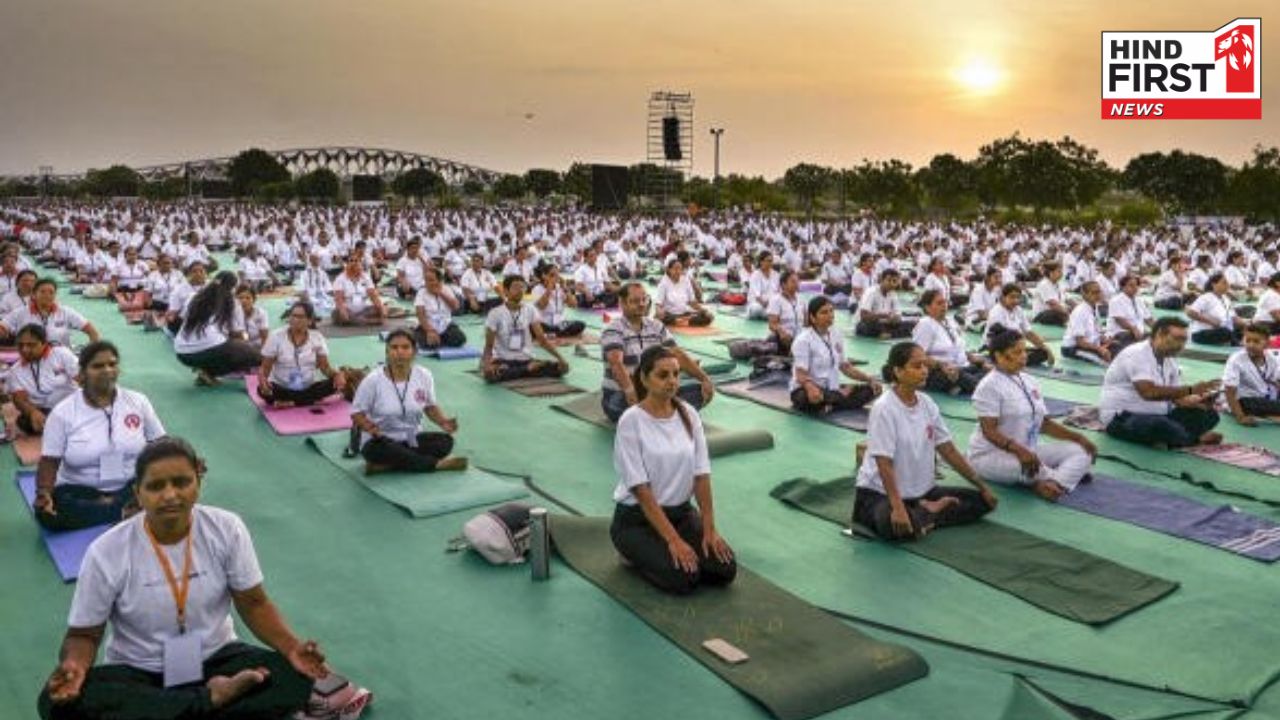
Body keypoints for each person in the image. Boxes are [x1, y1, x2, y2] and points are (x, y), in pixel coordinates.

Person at [38, 437, 325, 720]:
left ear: (198, 483)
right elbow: (84, 635)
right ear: (137, 493)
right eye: (155, 486)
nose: (170, 495)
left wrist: (292, 648)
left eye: (181, 482)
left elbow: (254, 604)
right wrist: (74, 666)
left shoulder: (227, 529)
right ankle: (211, 700)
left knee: (293, 676)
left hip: (216, 658)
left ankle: (181, 709)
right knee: (58, 704)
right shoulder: (106, 551)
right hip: (141, 673)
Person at [610, 346, 736, 595]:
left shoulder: (689, 414)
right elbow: (641, 490)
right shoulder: (631, 421)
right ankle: (631, 553)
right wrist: (674, 541)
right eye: (663, 375)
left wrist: (709, 529)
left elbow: (701, 476)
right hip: (637, 520)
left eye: (676, 374)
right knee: (685, 578)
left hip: (681, 515)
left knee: (724, 570)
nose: (672, 381)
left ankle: (664, 550)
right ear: (644, 378)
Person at [853, 342, 998, 540]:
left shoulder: (927, 404)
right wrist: (898, 508)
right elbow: (883, 463)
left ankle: (923, 514)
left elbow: (948, 450)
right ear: (898, 371)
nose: (924, 371)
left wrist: (982, 486)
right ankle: (927, 513)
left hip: (922, 491)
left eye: (925, 365)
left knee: (982, 502)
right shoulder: (884, 408)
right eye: (917, 366)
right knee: (895, 526)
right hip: (880, 494)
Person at [34, 341, 166, 531]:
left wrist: (186, 459)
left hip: (130, 484)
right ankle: (127, 510)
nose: (107, 370)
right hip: (81, 488)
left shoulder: (138, 401)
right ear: (82, 373)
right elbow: (49, 459)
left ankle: (116, 508)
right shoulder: (62, 412)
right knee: (48, 514)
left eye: (112, 364)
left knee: (168, 488)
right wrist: (44, 493)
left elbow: (160, 443)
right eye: (97, 366)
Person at [968, 331, 1096, 501]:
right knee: (1033, 467)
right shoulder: (989, 386)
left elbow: (1044, 424)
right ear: (999, 356)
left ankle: (1051, 483)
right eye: (1017, 352)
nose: (1024, 356)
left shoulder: (1029, 381)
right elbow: (989, 431)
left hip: (1029, 451)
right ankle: (1058, 479)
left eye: (1024, 351)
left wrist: (1078, 437)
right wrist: (1019, 451)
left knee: (1082, 451)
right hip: (991, 456)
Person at [350, 330, 468, 473]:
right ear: (387, 351)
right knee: (378, 449)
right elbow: (356, 413)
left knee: (445, 442)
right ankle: (436, 465)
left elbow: (429, 406)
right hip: (381, 440)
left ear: (414, 352)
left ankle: (388, 465)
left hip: (411, 438)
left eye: (405, 347)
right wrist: (369, 427)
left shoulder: (424, 375)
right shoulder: (373, 380)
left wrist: (443, 421)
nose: (399, 352)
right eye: (394, 347)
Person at [1100, 317, 1222, 448]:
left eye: (1184, 340)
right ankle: (1193, 439)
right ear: (1159, 335)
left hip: (1161, 415)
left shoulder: (1170, 360)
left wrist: (1198, 400)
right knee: (1159, 425)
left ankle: (1175, 437)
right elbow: (1148, 393)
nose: (1181, 345)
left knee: (1210, 415)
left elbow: (1178, 399)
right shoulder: (1136, 354)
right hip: (1123, 418)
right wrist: (1190, 390)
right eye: (1177, 339)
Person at [600, 282, 714, 422]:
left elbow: (677, 354)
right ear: (622, 303)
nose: (641, 304)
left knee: (700, 390)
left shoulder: (656, 326)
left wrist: (704, 378)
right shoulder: (613, 330)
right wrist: (630, 391)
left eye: (644, 299)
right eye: (635, 301)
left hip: (653, 393)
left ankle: (657, 413)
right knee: (619, 405)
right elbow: (616, 364)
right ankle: (666, 413)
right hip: (621, 394)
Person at [790, 296, 881, 413]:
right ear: (812, 317)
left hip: (832, 388)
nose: (830, 315)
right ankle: (837, 399)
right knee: (809, 398)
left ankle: (831, 404)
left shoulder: (836, 334)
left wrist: (869, 379)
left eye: (831, 311)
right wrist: (811, 388)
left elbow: (845, 367)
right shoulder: (803, 340)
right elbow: (801, 374)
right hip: (807, 388)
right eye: (824, 312)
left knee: (873, 389)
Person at [174, 272, 262, 387]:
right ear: (233, 288)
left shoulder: (193, 297)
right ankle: (211, 372)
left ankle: (205, 372)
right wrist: (248, 348)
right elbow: (238, 334)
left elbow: (182, 318)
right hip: (207, 350)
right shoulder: (233, 303)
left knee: (222, 347)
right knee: (254, 356)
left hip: (182, 353)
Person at [481, 275, 571, 382]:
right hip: (504, 360)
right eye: (516, 287)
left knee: (561, 369)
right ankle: (526, 370)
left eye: (522, 287)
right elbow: (489, 345)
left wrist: (561, 359)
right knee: (491, 375)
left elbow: (542, 340)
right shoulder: (495, 313)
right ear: (505, 291)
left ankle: (524, 370)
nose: (520, 291)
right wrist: (486, 365)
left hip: (526, 359)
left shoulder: (530, 309)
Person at [257, 301, 346, 408]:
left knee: (335, 384)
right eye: (293, 316)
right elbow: (265, 367)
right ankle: (306, 401)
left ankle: (292, 402)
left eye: (300, 317)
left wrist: (336, 375)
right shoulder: (276, 336)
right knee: (261, 390)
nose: (295, 320)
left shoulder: (317, 337)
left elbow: (325, 367)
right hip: (282, 388)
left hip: (308, 387)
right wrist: (263, 380)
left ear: (309, 321)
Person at [5, 324, 79, 435]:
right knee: (24, 422)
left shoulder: (61, 354)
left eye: (31, 345)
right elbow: (19, 400)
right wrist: (32, 412)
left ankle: (62, 426)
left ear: (44, 343)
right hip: (45, 410)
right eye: (20, 345)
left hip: (71, 405)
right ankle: (63, 426)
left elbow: (83, 379)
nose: (24, 349)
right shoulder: (15, 371)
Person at [912, 289, 988, 395]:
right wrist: (941, 365)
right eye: (939, 303)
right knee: (982, 385)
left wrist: (974, 358)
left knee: (990, 369)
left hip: (962, 367)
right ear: (927, 307)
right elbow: (918, 357)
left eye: (945, 302)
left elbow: (956, 348)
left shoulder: (949, 321)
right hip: (940, 372)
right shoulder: (925, 325)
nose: (944, 306)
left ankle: (960, 386)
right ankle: (962, 384)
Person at [0, 278, 100, 347]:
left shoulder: (66, 312)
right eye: (42, 292)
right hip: (29, 357)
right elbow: (2, 328)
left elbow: (92, 332)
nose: (47, 295)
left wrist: (90, 353)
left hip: (61, 360)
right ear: (33, 294)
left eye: (51, 292)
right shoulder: (20, 313)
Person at [1223, 323, 1280, 426]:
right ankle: (1270, 414)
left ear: (1267, 343)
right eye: (1247, 340)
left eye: (1256, 341)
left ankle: (1270, 414)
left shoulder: (1270, 358)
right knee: (1257, 404)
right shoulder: (1236, 359)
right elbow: (1229, 391)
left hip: (1264, 398)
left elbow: (1275, 381)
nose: (1251, 345)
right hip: (1243, 401)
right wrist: (1240, 417)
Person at [985, 284, 1053, 366]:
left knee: (1043, 353)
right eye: (1012, 297)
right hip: (998, 348)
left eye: (1018, 297)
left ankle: (1014, 361)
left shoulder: (1018, 310)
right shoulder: (996, 312)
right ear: (1003, 297)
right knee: (1016, 356)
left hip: (1014, 347)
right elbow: (1000, 339)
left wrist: (1046, 348)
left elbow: (1028, 332)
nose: (1016, 300)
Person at [1062, 280, 1115, 365]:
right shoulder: (1080, 311)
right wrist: (1100, 349)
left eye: (1099, 292)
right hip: (1073, 348)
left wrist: (1105, 340)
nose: (1098, 295)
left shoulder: (1094, 307)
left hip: (1090, 345)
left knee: (1118, 347)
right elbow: (1080, 342)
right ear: (1084, 295)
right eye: (1094, 293)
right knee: (1104, 362)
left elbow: (1096, 332)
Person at [413, 266, 466, 350]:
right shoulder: (421, 292)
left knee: (460, 339)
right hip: (428, 325)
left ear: (439, 280)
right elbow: (420, 314)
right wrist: (429, 330)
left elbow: (456, 307)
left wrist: (440, 293)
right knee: (428, 344)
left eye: (431, 280)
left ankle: (439, 339)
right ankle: (436, 339)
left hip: (446, 325)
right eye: (426, 280)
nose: (427, 283)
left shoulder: (446, 289)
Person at [1186, 273, 1244, 346]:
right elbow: (1190, 313)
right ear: (1214, 284)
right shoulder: (1206, 297)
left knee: (1241, 330)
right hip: (1202, 333)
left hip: (1221, 331)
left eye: (1227, 283)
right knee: (1225, 332)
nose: (1227, 285)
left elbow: (1234, 318)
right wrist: (1211, 321)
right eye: (1224, 283)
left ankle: (1236, 340)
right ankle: (1235, 342)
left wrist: (1247, 325)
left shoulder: (1226, 299)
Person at [853, 269, 913, 338]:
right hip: (867, 324)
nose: (891, 283)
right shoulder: (871, 292)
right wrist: (883, 316)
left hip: (885, 323)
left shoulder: (893, 294)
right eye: (889, 280)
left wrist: (894, 319)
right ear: (882, 280)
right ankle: (890, 334)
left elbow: (898, 315)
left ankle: (888, 334)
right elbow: (864, 316)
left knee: (910, 324)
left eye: (894, 281)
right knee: (870, 326)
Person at [531, 264, 586, 337]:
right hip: (544, 323)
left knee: (580, 324)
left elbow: (574, 304)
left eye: (557, 275)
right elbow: (541, 306)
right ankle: (555, 333)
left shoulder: (560, 288)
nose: (555, 277)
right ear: (544, 276)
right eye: (552, 275)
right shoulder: (537, 289)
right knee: (533, 327)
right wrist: (549, 287)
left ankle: (552, 333)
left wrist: (565, 288)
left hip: (560, 324)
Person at [331, 253, 386, 326]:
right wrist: (343, 311)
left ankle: (359, 321)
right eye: (351, 261)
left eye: (356, 261)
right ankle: (368, 321)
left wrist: (381, 308)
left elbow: (373, 296)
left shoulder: (366, 277)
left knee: (380, 308)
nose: (354, 263)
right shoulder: (340, 278)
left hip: (363, 309)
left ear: (360, 264)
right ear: (347, 264)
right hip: (347, 308)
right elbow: (338, 299)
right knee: (339, 314)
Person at [655, 258, 713, 326]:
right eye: (675, 269)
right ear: (669, 270)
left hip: (685, 313)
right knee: (662, 318)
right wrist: (659, 312)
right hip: (670, 314)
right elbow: (658, 305)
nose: (678, 271)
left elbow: (692, 302)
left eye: (680, 269)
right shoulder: (663, 283)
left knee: (707, 317)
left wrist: (704, 311)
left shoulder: (685, 280)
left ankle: (682, 322)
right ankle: (682, 322)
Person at [1104, 275, 1153, 351]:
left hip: (1139, 333)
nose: (1135, 288)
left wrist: (1159, 329)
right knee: (1131, 341)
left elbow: (1149, 319)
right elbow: (1120, 320)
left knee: (1155, 337)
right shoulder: (1115, 301)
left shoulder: (1139, 300)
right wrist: (1133, 329)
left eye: (1136, 285)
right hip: (1121, 333)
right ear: (1123, 287)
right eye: (1131, 285)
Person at [766, 270, 804, 355]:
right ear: (783, 284)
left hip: (799, 338)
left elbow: (806, 323)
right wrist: (781, 331)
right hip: (783, 339)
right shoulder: (776, 300)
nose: (797, 284)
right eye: (793, 281)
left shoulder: (801, 300)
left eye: (798, 281)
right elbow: (772, 324)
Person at [745, 252, 780, 319]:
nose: (771, 263)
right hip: (758, 304)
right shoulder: (755, 275)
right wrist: (766, 304)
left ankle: (771, 314)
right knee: (756, 309)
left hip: (772, 304)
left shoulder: (776, 275)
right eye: (768, 261)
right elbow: (757, 296)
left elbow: (779, 292)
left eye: (771, 261)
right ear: (761, 262)